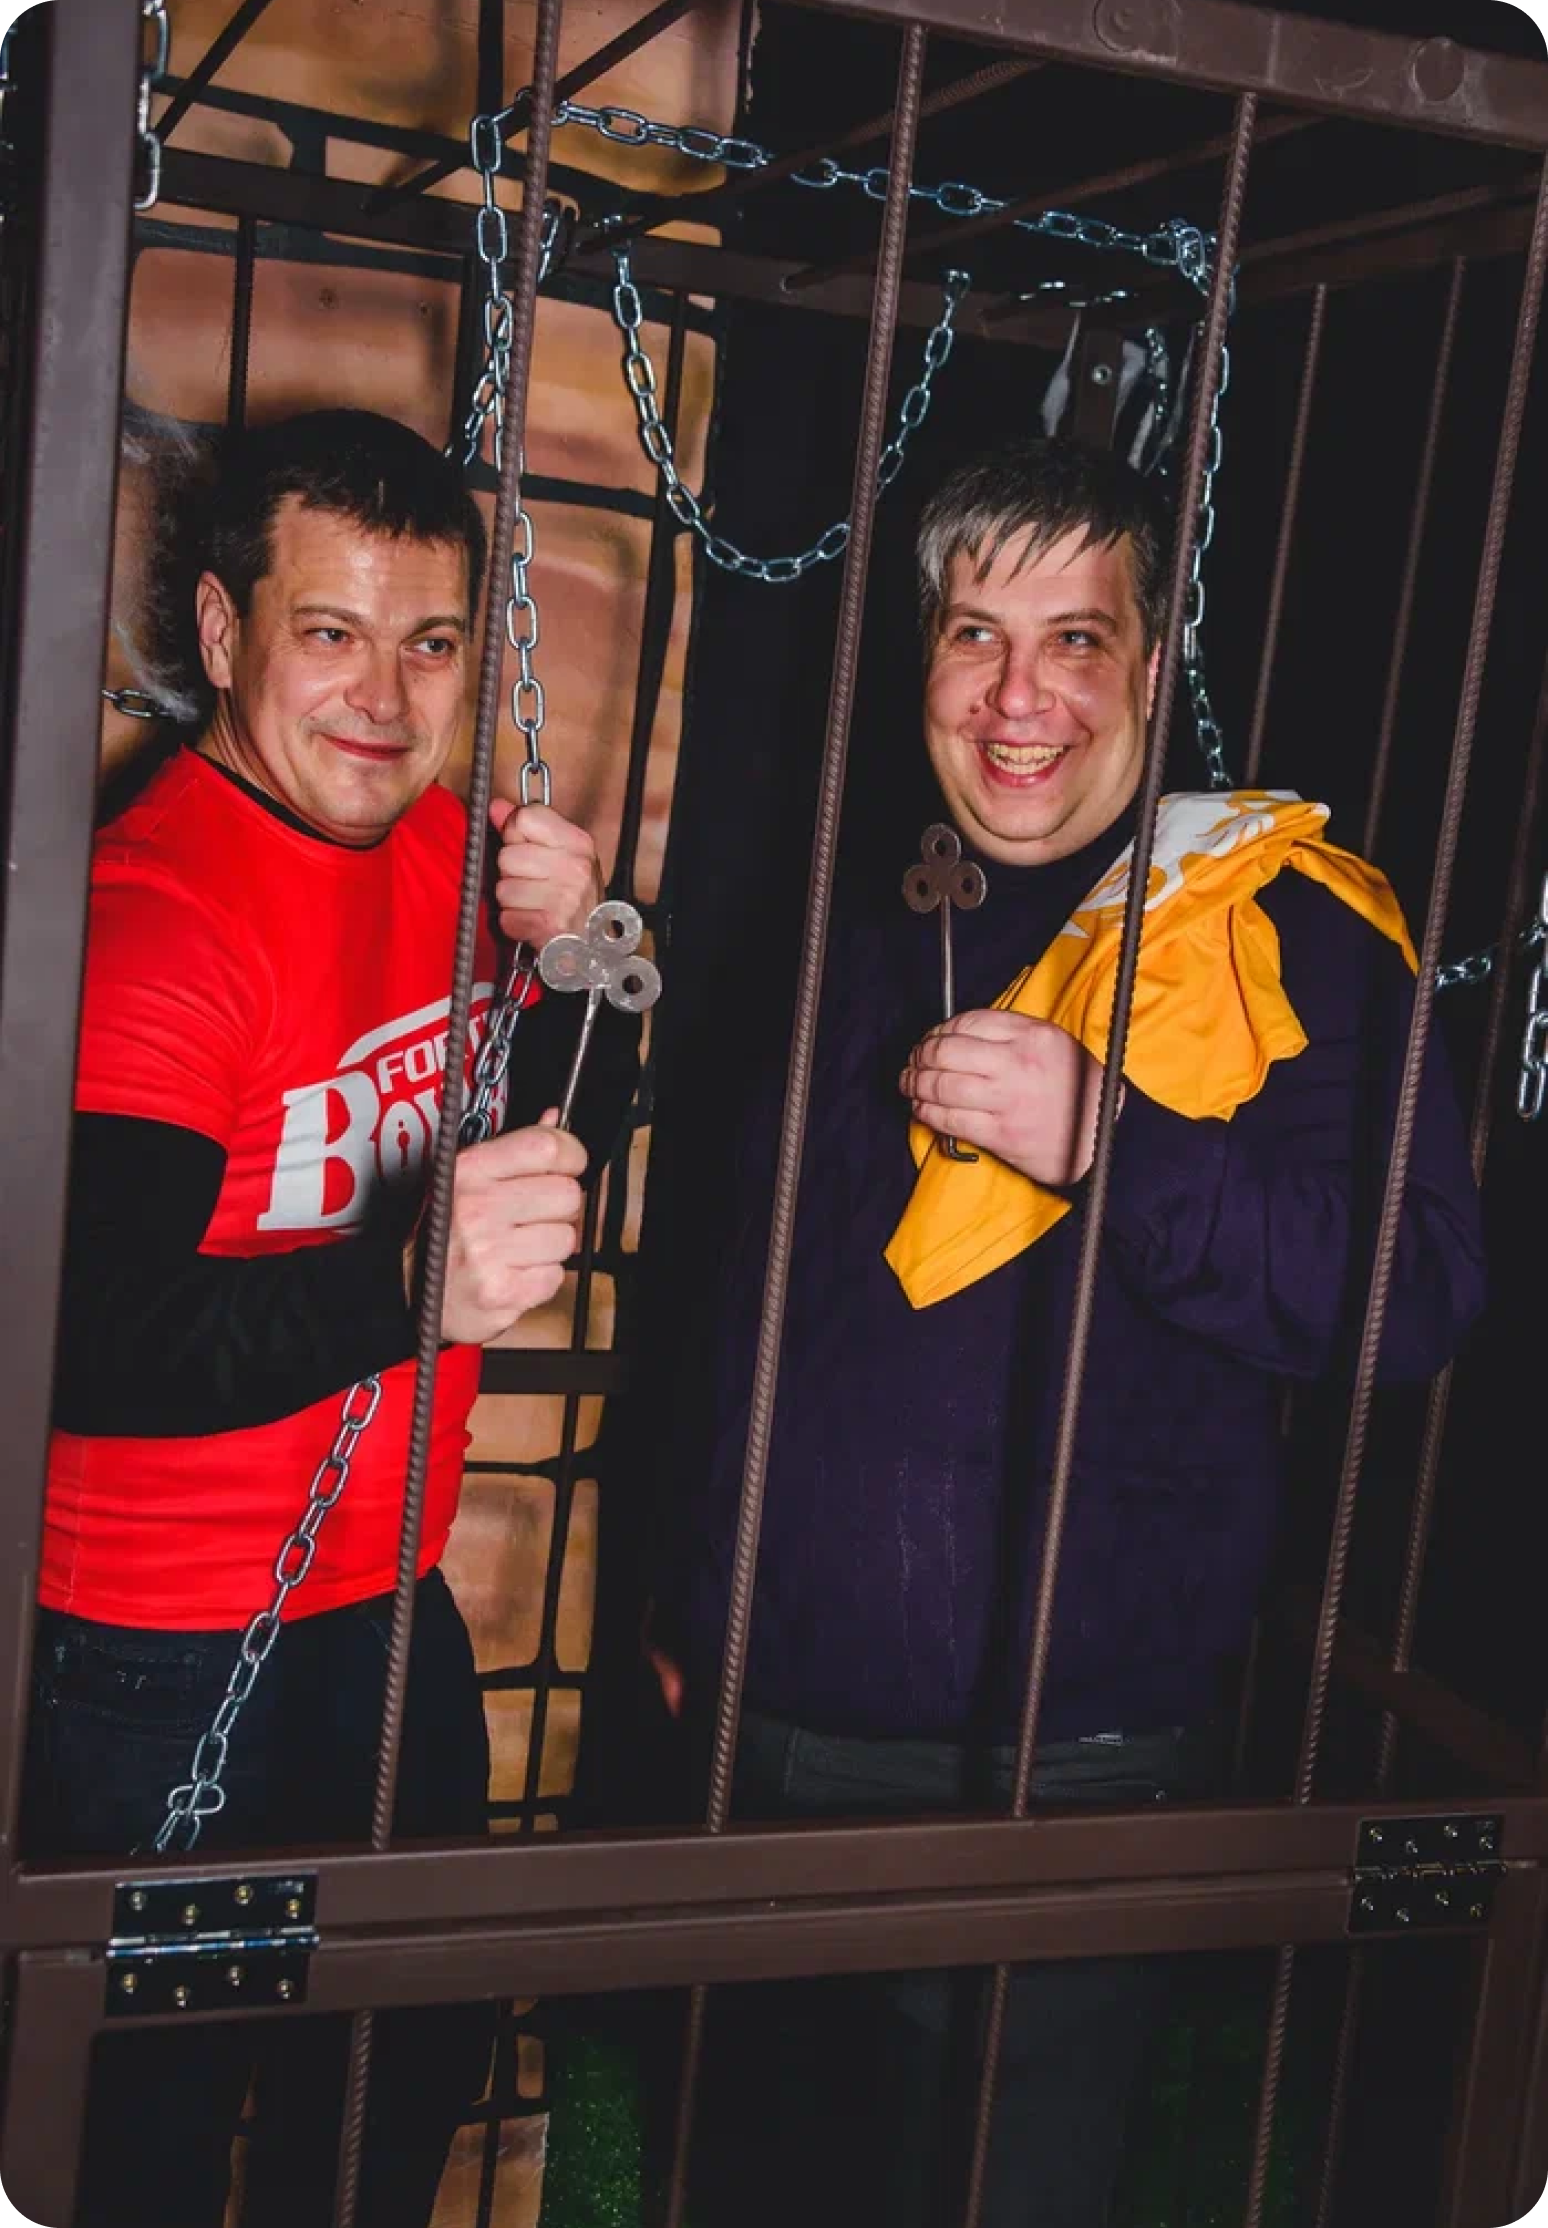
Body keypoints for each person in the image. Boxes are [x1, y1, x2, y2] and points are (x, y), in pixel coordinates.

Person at [641, 438, 1486, 2228]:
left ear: (1152, 669)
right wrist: (693, 1605)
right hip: (757, 1754)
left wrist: (1114, 1138)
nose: (1019, 697)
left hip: (1056, 1781)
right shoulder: (867, 907)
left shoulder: (1279, 927)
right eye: (975, 635)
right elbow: (752, 1291)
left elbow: (1412, 1293)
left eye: (1075, 640)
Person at [26, 408, 640, 2228]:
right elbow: (91, 1338)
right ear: (225, 635)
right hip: (155, 1647)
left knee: (400, 2067)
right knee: (137, 2129)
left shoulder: (451, 855)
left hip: (386, 1590)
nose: (384, 696)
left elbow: (557, 1158)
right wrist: (399, 1290)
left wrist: (589, 959)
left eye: (431, 642)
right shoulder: (156, 919)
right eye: (332, 632)